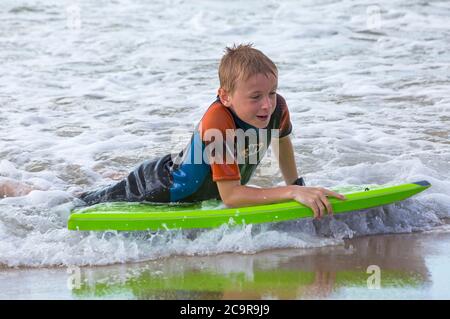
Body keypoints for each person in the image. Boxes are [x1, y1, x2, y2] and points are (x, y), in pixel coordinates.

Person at [0, 44, 346, 219]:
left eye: (270, 93)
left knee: (92, 190)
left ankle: (95, 178)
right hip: (157, 187)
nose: (267, 104)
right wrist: (287, 193)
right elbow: (232, 197)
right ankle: (17, 188)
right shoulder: (218, 123)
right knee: (73, 204)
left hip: (184, 171)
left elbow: (282, 142)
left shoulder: (277, 107)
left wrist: (298, 185)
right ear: (225, 96)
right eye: (255, 97)